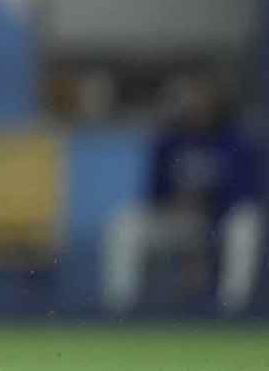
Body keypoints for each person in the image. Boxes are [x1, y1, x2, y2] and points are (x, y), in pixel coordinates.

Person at [101, 73, 263, 315]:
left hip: (221, 220)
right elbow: (153, 193)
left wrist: (209, 209)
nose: (197, 105)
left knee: (246, 224)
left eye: (204, 98)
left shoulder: (238, 142)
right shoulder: (170, 140)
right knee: (125, 223)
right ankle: (119, 309)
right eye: (192, 99)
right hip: (179, 219)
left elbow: (248, 193)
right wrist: (177, 204)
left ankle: (233, 309)